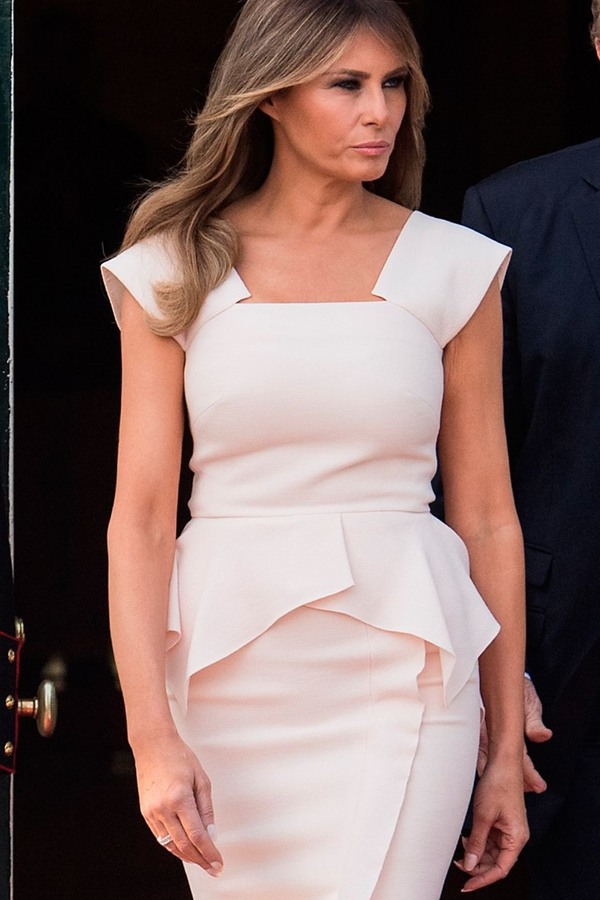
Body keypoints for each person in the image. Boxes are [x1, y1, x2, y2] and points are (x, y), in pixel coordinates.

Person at [101, 1, 528, 896]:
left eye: (395, 84)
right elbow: (139, 519)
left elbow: (489, 517)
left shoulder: (455, 265)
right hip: (227, 678)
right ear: (270, 95)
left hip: (410, 670)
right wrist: (151, 737)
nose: (380, 112)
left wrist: (501, 754)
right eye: (347, 85)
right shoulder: (174, 265)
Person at [461, 5, 600, 898]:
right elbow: (462, 475)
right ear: (598, 38)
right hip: (564, 668)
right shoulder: (508, 214)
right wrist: (497, 667)